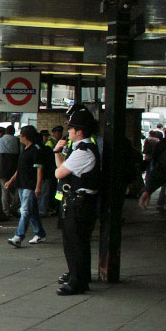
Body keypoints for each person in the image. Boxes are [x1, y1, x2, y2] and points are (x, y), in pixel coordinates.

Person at [54, 109, 101, 295]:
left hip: (79, 202)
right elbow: (63, 168)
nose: (69, 132)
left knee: (74, 242)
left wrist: (58, 154)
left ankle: (77, 282)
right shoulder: (81, 149)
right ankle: (79, 274)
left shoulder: (83, 152)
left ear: (79, 131)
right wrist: (57, 151)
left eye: (71, 128)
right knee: (78, 241)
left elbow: (59, 173)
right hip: (79, 201)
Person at [5, 125, 46, 247]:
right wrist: (11, 180)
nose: (19, 138)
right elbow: (20, 169)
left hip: (30, 184)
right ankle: (40, 233)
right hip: (22, 183)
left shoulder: (36, 150)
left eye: (21, 135)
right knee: (32, 211)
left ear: (25, 137)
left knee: (24, 210)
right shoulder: (25, 149)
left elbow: (40, 170)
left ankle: (18, 236)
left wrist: (38, 186)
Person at [0, 125, 20, 217]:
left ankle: (5, 211)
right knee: (16, 189)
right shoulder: (17, 140)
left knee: (4, 190)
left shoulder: (0, 140)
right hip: (14, 168)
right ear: (13, 132)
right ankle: (15, 207)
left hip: (2, 167)